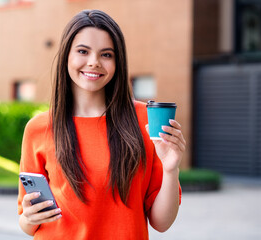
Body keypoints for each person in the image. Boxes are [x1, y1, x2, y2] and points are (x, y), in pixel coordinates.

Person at [17, 9, 186, 239]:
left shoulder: (146, 120)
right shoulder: (38, 128)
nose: (94, 62)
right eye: (83, 51)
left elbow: (161, 223)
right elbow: (27, 225)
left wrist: (171, 168)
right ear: (67, 55)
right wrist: (28, 217)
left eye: (106, 54)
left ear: (118, 62)